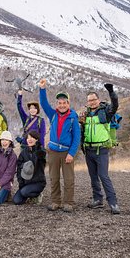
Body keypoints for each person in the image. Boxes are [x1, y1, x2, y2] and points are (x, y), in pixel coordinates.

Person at [39, 78, 80, 212]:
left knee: (69, 179)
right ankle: (56, 201)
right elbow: (44, 104)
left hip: (66, 152)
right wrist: (42, 89)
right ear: (57, 104)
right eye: (59, 103)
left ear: (68, 103)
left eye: (64, 102)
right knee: (54, 177)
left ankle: (69, 202)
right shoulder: (53, 115)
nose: (62, 105)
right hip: (53, 152)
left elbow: (76, 138)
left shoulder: (73, 117)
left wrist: (71, 153)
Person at [81, 83, 121, 214]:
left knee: (103, 176)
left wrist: (111, 92)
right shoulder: (85, 115)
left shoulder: (106, 111)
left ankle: (113, 203)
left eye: (94, 100)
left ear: (98, 100)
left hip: (102, 149)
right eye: (89, 100)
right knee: (93, 177)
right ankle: (97, 199)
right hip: (89, 149)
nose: (92, 102)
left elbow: (115, 105)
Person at [13, 130, 47, 205]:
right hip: (26, 182)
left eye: (32, 137)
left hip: (38, 182)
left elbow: (42, 156)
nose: (30, 139)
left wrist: (38, 148)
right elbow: (19, 168)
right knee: (16, 200)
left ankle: (38, 194)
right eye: (28, 138)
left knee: (24, 192)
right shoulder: (23, 152)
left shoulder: (40, 150)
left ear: (36, 139)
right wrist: (21, 183)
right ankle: (28, 193)